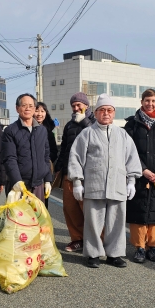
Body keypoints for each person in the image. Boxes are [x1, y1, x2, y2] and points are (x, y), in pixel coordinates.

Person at [68, 94, 142, 268]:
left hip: (117, 185)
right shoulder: (87, 133)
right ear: (96, 112)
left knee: (116, 222)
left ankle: (114, 254)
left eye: (109, 110)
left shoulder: (122, 134)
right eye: (102, 110)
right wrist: (77, 182)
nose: (106, 113)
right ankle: (93, 254)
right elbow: (76, 158)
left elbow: (131, 158)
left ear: (114, 113)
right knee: (93, 221)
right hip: (94, 184)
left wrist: (131, 181)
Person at [124, 89, 155, 264]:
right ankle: (139, 247)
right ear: (141, 102)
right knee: (137, 211)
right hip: (138, 175)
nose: (150, 104)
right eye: (147, 100)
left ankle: (153, 247)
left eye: (153, 101)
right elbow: (128, 150)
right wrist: (143, 170)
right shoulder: (132, 124)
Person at [54, 92, 95, 252]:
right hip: (69, 172)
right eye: (74, 105)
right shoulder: (70, 125)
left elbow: (96, 138)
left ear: (86, 105)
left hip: (88, 173)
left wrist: (84, 121)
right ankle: (77, 239)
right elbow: (64, 147)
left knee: (89, 209)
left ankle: (93, 240)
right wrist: (58, 167)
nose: (76, 108)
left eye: (79, 105)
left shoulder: (93, 122)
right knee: (70, 208)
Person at [2, 93, 52, 202]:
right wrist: (16, 181)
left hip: (38, 184)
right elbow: (10, 158)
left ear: (34, 109)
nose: (28, 108)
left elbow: (46, 156)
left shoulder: (42, 130)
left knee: (38, 217)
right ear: (17, 108)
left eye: (31, 106)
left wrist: (48, 180)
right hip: (18, 186)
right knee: (19, 218)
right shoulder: (10, 130)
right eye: (24, 105)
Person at [34, 101, 59, 207]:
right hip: (28, 171)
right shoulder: (26, 129)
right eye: (37, 110)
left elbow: (54, 151)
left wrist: (46, 160)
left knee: (43, 205)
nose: (39, 114)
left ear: (46, 113)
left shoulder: (49, 132)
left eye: (42, 111)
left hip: (44, 171)